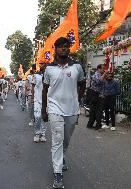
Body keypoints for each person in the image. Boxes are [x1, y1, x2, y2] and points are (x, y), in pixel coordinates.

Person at [41, 37, 86, 189]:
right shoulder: (48, 68)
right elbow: (45, 90)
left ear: (69, 48)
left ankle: (62, 156)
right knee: (57, 139)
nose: (63, 48)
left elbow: (82, 84)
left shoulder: (77, 67)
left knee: (66, 139)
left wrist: (77, 100)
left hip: (72, 110)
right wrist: (44, 110)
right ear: (55, 49)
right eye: (60, 46)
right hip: (54, 109)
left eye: (66, 46)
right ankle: (58, 173)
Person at [86, 64, 108, 130]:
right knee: (98, 111)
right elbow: (100, 81)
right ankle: (98, 125)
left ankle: (91, 124)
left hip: (98, 95)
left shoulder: (99, 75)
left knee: (94, 110)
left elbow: (104, 82)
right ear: (99, 69)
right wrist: (105, 73)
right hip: (96, 95)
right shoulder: (97, 74)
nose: (103, 70)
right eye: (102, 68)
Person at [32, 62, 47, 143]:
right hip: (37, 100)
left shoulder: (49, 76)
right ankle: (37, 134)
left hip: (46, 101)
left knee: (44, 118)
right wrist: (32, 98)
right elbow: (33, 86)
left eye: (43, 64)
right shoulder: (36, 75)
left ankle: (43, 134)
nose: (42, 65)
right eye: (40, 64)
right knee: (37, 117)